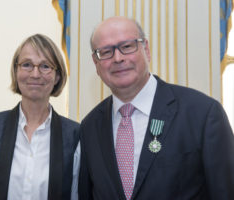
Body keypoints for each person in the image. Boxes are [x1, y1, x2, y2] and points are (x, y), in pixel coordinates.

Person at [79, 16, 234, 200]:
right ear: (96, 63)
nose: (118, 58)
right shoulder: (89, 127)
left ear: (146, 49)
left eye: (127, 46)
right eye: (105, 52)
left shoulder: (203, 114)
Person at [0, 34, 80, 200]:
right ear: (16, 71)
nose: (35, 74)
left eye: (45, 66)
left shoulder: (74, 136)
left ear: (57, 76)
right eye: (27, 65)